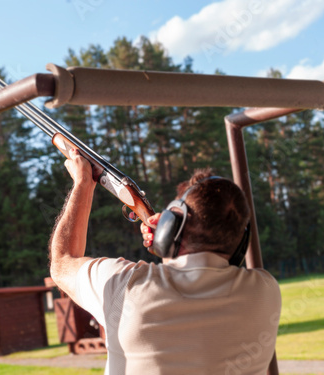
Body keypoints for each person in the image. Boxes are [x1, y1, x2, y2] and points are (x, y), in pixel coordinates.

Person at [49, 148, 281, 375]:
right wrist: (171, 247)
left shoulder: (126, 285)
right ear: (241, 242)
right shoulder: (265, 290)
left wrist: (83, 184)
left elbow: (61, 263)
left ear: (171, 225)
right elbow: (202, 280)